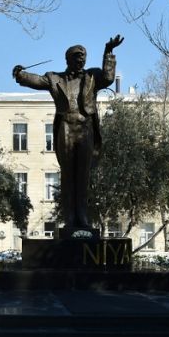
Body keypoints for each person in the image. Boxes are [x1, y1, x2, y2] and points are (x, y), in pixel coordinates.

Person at [13, 35, 124, 229]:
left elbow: (108, 78)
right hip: (65, 128)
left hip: (86, 128)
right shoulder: (55, 78)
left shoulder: (92, 76)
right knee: (68, 175)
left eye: (83, 58)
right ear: (68, 60)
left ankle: (82, 217)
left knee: (83, 176)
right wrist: (20, 74)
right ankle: (70, 218)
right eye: (77, 57)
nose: (81, 61)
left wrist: (108, 51)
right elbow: (36, 80)